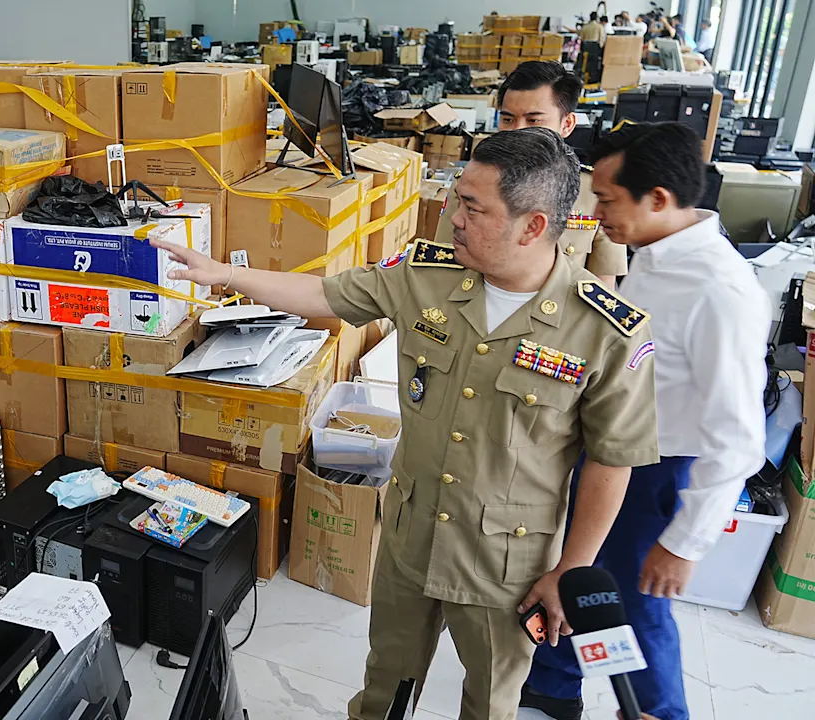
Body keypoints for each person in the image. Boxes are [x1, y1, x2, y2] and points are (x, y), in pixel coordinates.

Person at [151, 128, 661, 720]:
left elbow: (612, 460)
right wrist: (224, 274)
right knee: (384, 685)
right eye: (458, 200)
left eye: (473, 207)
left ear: (533, 226)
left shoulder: (605, 331)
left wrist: (571, 569)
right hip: (411, 537)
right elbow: (325, 295)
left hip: (506, 565)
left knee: (491, 699)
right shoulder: (428, 276)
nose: (454, 218)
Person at [521, 123, 769, 720]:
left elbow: (738, 440)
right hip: (613, 449)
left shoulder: (720, 291)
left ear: (657, 197)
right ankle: (552, 688)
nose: (597, 213)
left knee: (636, 605)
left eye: (608, 200)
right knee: (575, 572)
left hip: (657, 471)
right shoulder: (658, 253)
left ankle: (661, 712)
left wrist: (684, 544)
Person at [436, 61, 629, 288]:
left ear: (567, 124)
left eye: (534, 121)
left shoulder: (595, 193)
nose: (518, 132)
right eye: (508, 119)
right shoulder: (468, 185)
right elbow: (442, 265)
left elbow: (603, 285)